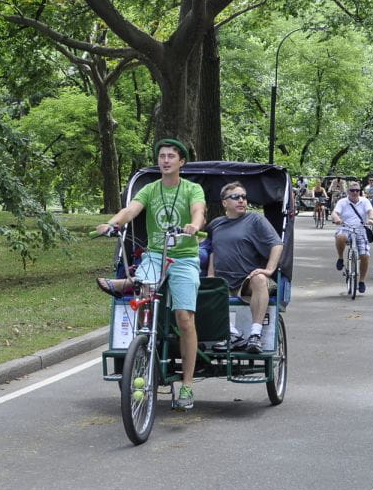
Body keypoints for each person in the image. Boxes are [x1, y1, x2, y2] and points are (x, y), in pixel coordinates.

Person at [95, 138, 206, 409]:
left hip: (184, 257)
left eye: (171, 156)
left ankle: (188, 386)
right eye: (162, 156)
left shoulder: (192, 188)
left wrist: (193, 225)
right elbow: (130, 210)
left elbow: (198, 211)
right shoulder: (150, 189)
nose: (165, 160)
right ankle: (143, 346)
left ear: (181, 162)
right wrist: (111, 224)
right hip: (155, 255)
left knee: (184, 318)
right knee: (144, 299)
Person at [206, 182, 284, 354]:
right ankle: (232, 334)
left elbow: (277, 244)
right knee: (203, 287)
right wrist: (210, 275)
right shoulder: (216, 224)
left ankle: (255, 335)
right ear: (225, 203)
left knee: (260, 278)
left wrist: (269, 270)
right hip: (223, 282)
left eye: (243, 197)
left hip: (248, 281)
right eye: (235, 197)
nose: (241, 200)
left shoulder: (255, 220)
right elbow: (213, 251)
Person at [332, 181, 373, 293]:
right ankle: (341, 258)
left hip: (361, 229)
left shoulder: (365, 201)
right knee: (340, 236)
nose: (355, 192)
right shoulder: (342, 201)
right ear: (348, 191)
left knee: (365, 256)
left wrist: (371, 219)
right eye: (352, 190)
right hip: (346, 227)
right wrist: (337, 218)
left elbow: (371, 212)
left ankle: (361, 281)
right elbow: (335, 212)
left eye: (357, 190)